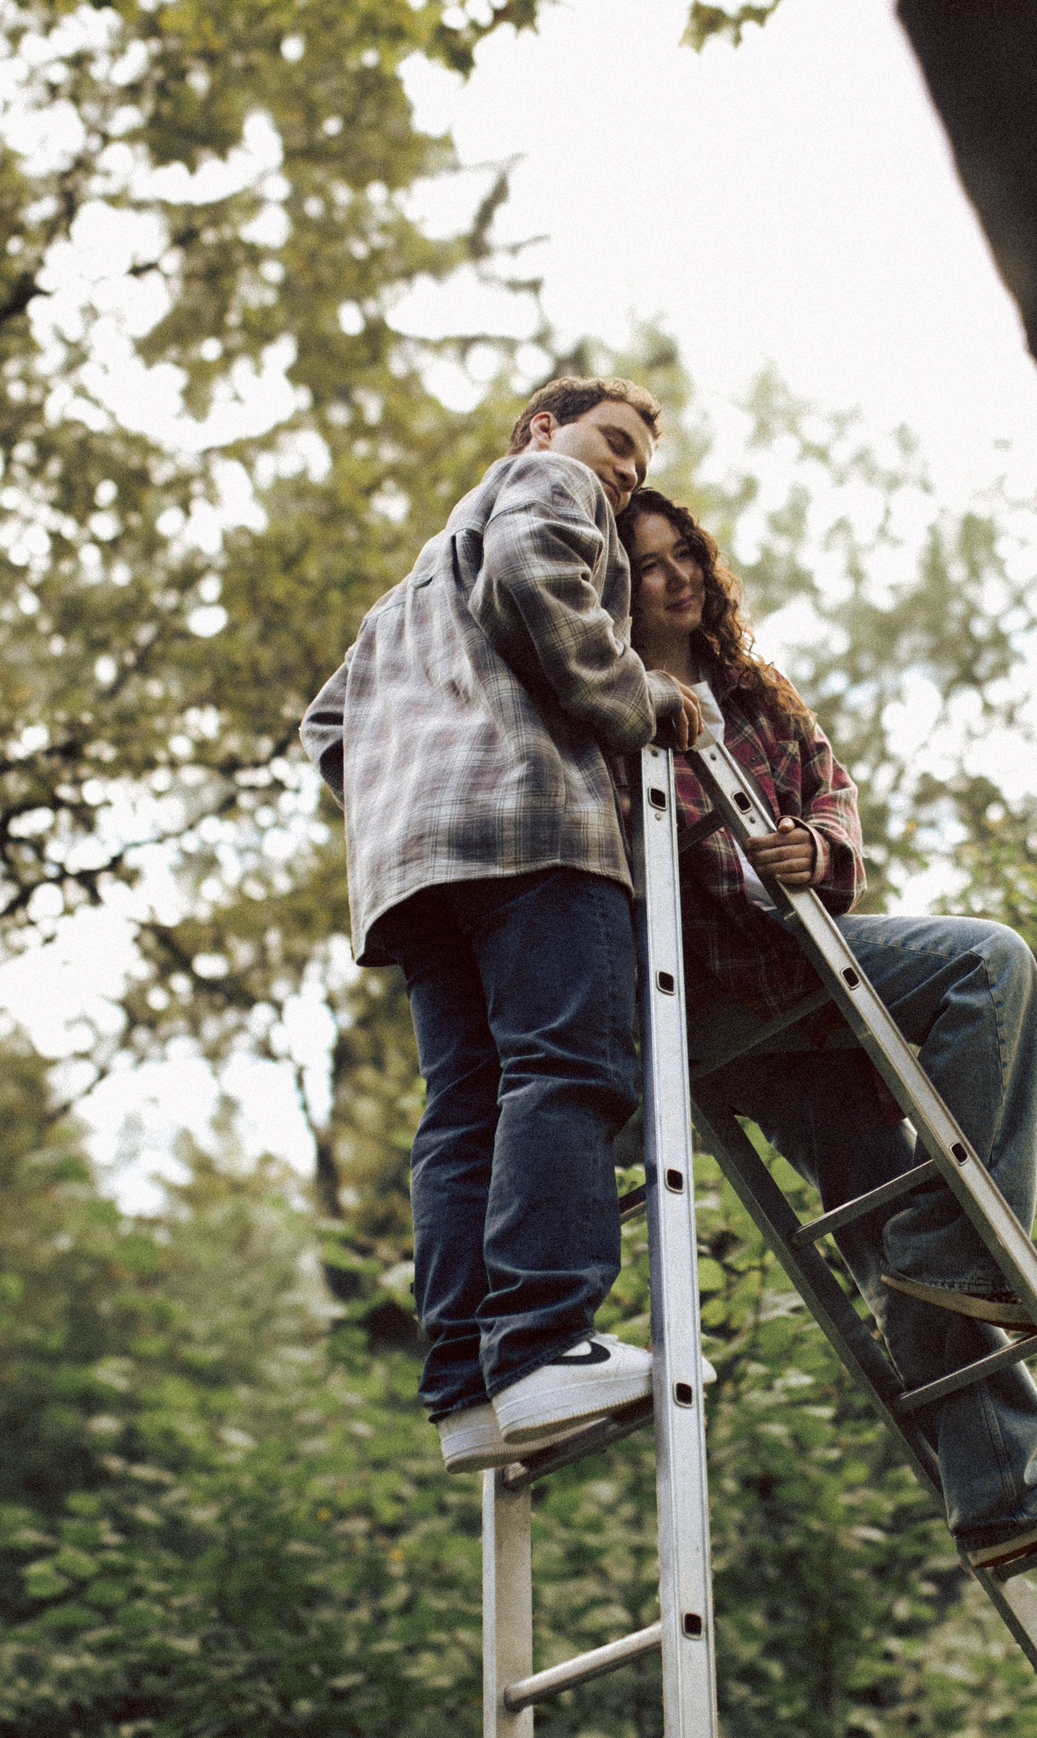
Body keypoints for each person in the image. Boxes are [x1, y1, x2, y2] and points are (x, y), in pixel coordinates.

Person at [618, 487, 1037, 1568]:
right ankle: (952, 1245)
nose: (672, 577)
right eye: (646, 562)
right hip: (723, 994)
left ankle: (1008, 1492)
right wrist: (748, 862)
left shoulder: (751, 689)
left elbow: (829, 788)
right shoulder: (606, 699)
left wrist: (821, 849)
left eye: (683, 557)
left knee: (886, 1198)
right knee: (984, 960)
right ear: (613, 584)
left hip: (799, 966)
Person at [301, 378, 707, 1476]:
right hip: (533, 831)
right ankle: (539, 1344)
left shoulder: (405, 599)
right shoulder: (541, 482)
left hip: (415, 868)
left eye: (631, 460)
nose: (619, 472)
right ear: (544, 428)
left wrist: (412, 796)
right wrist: (646, 701)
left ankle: (466, 1388)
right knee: (566, 1064)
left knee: (465, 1106)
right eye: (610, 443)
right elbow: (536, 578)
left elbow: (325, 722)